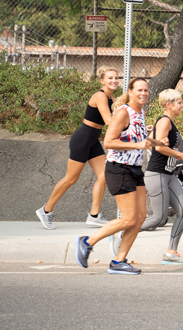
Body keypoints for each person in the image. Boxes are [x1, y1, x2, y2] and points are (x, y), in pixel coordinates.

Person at [74, 78, 166, 275]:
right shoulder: (123, 112)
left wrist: (157, 142)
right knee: (128, 218)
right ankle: (87, 241)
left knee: (140, 217)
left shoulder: (140, 113)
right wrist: (137, 145)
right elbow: (108, 142)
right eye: (140, 90)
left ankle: (118, 261)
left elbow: (138, 139)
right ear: (130, 92)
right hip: (118, 168)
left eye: (146, 90)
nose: (144, 93)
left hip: (134, 169)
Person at [36, 66, 120, 229]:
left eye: (116, 78)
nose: (114, 80)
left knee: (104, 175)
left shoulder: (111, 98)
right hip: (82, 139)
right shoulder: (100, 96)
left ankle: (94, 215)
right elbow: (109, 121)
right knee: (71, 178)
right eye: (110, 78)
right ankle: (45, 211)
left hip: (93, 140)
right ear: (102, 80)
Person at [140, 89, 183, 265]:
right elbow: (158, 148)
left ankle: (171, 252)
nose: (182, 106)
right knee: (159, 219)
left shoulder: (169, 122)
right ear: (169, 104)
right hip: (158, 174)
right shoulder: (164, 121)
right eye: (179, 103)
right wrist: (181, 155)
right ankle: (122, 232)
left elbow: (157, 143)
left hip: (169, 176)